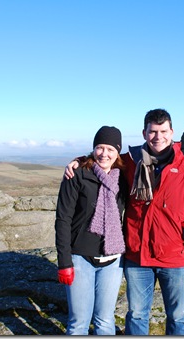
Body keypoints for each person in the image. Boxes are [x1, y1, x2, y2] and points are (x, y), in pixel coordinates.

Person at [65, 109, 184, 335]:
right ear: (144, 133)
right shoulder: (131, 162)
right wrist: (78, 161)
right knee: (136, 314)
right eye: (153, 131)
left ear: (172, 132)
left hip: (175, 256)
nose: (158, 137)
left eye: (163, 131)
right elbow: (104, 158)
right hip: (138, 256)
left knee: (177, 315)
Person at [55, 126, 128, 335]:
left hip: (113, 260)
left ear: (118, 152)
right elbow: (63, 219)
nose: (104, 153)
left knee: (105, 321)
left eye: (110, 149)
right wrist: (64, 262)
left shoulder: (123, 178)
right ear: (93, 148)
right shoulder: (77, 174)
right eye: (99, 147)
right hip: (80, 257)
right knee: (79, 322)